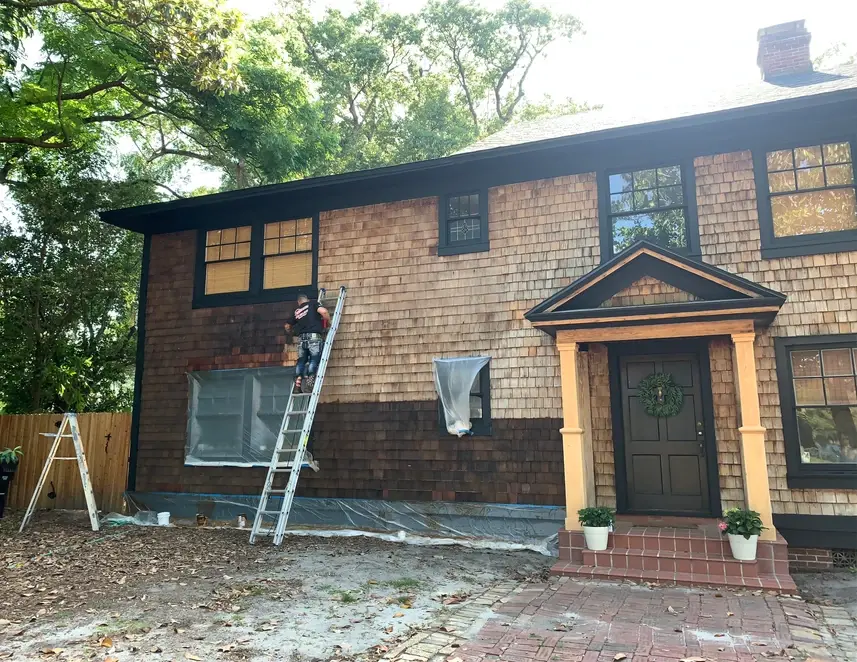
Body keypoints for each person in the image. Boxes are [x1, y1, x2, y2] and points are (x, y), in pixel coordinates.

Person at [284, 293, 331, 392]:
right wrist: (328, 322)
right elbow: (324, 311)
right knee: (314, 360)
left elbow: (287, 326)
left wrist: (291, 333)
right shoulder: (313, 304)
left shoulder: (297, 311)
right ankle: (310, 383)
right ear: (307, 299)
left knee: (301, 361)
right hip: (314, 338)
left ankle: (297, 385)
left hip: (301, 339)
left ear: (299, 302)